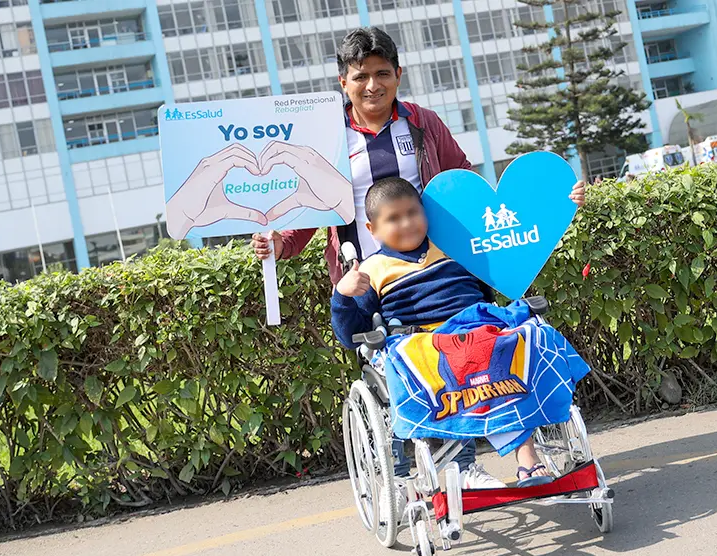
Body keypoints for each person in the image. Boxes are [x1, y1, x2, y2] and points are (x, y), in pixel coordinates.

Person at [251, 27, 587, 489]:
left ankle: (484, 462)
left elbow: (464, 186)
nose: (373, 85)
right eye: (360, 76)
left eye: (382, 73)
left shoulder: (423, 123)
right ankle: (450, 466)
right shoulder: (326, 139)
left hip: (442, 268)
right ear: (342, 82)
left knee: (482, 347)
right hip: (374, 280)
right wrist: (279, 243)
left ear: (398, 74)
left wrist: (554, 201)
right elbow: (312, 207)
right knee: (418, 363)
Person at [333, 176, 556, 487]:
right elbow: (350, 335)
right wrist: (342, 295)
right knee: (458, 366)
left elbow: (489, 286)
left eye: (413, 212)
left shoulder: (456, 248)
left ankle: (527, 459)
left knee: (520, 346)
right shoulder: (372, 270)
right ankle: (463, 468)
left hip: (476, 328)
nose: (407, 223)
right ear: (372, 230)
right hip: (422, 342)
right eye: (393, 218)